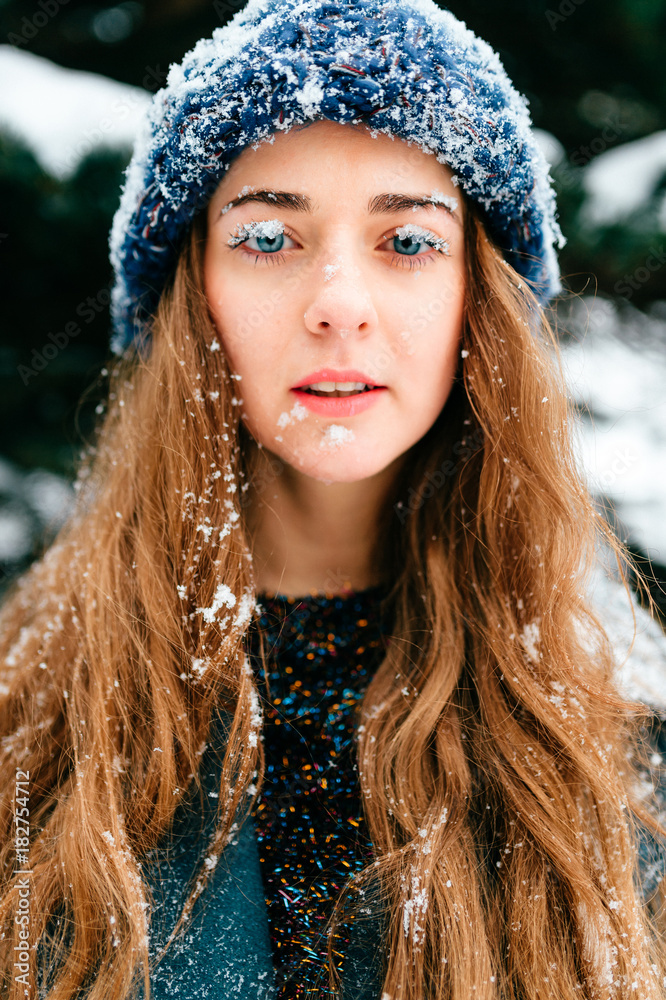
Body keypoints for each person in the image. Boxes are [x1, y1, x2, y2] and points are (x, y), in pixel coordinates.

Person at [1, 0, 666, 997]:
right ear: (194, 295)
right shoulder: (37, 719)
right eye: (269, 237)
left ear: (477, 301)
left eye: (407, 243)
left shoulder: (615, 743)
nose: (338, 301)